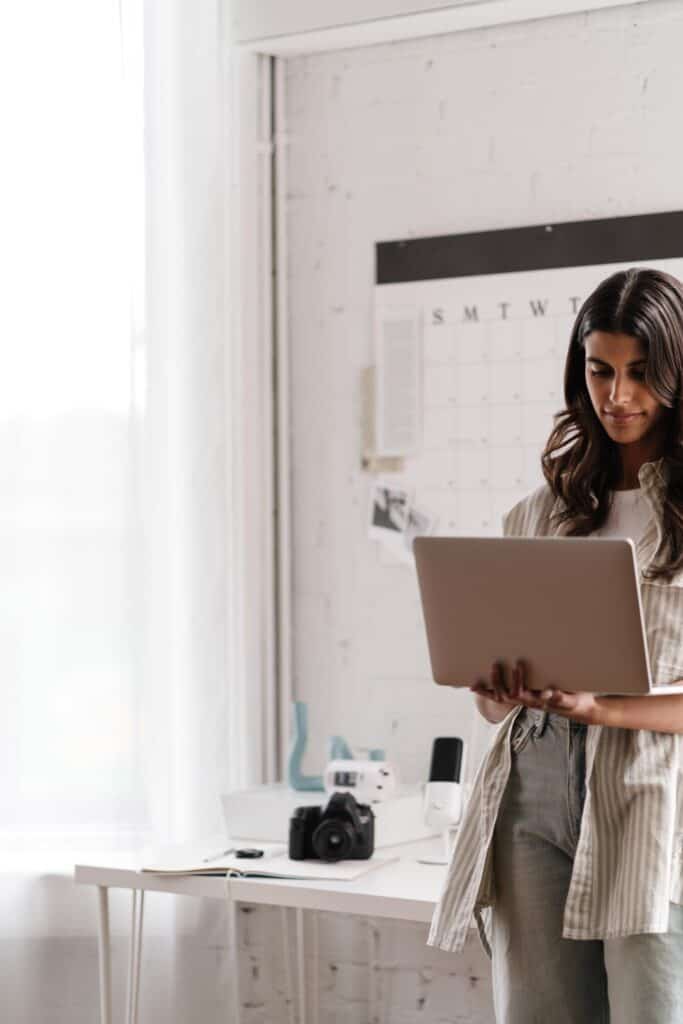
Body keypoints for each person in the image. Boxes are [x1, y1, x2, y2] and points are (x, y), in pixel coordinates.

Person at [427, 267, 683, 1024]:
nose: (617, 396)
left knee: (650, 1007)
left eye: (640, 374)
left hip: (650, 792)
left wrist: (598, 706)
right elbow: (487, 702)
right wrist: (497, 689)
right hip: (530, 785)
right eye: (599, 370)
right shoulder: (540, 510)